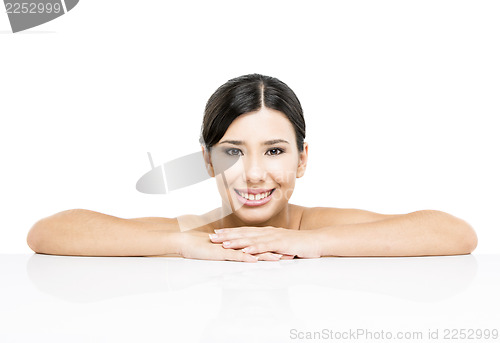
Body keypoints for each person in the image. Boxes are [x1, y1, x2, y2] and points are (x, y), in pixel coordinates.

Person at [26, 73, 478, 262]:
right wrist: (183, 246)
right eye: (232, 152)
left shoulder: (317, 225)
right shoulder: (202, 231)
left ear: (303, 159)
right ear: (207, 161)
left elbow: (455, 233)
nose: (255, 174)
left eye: (275, 151)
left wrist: (306, 243)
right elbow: (48, 232)